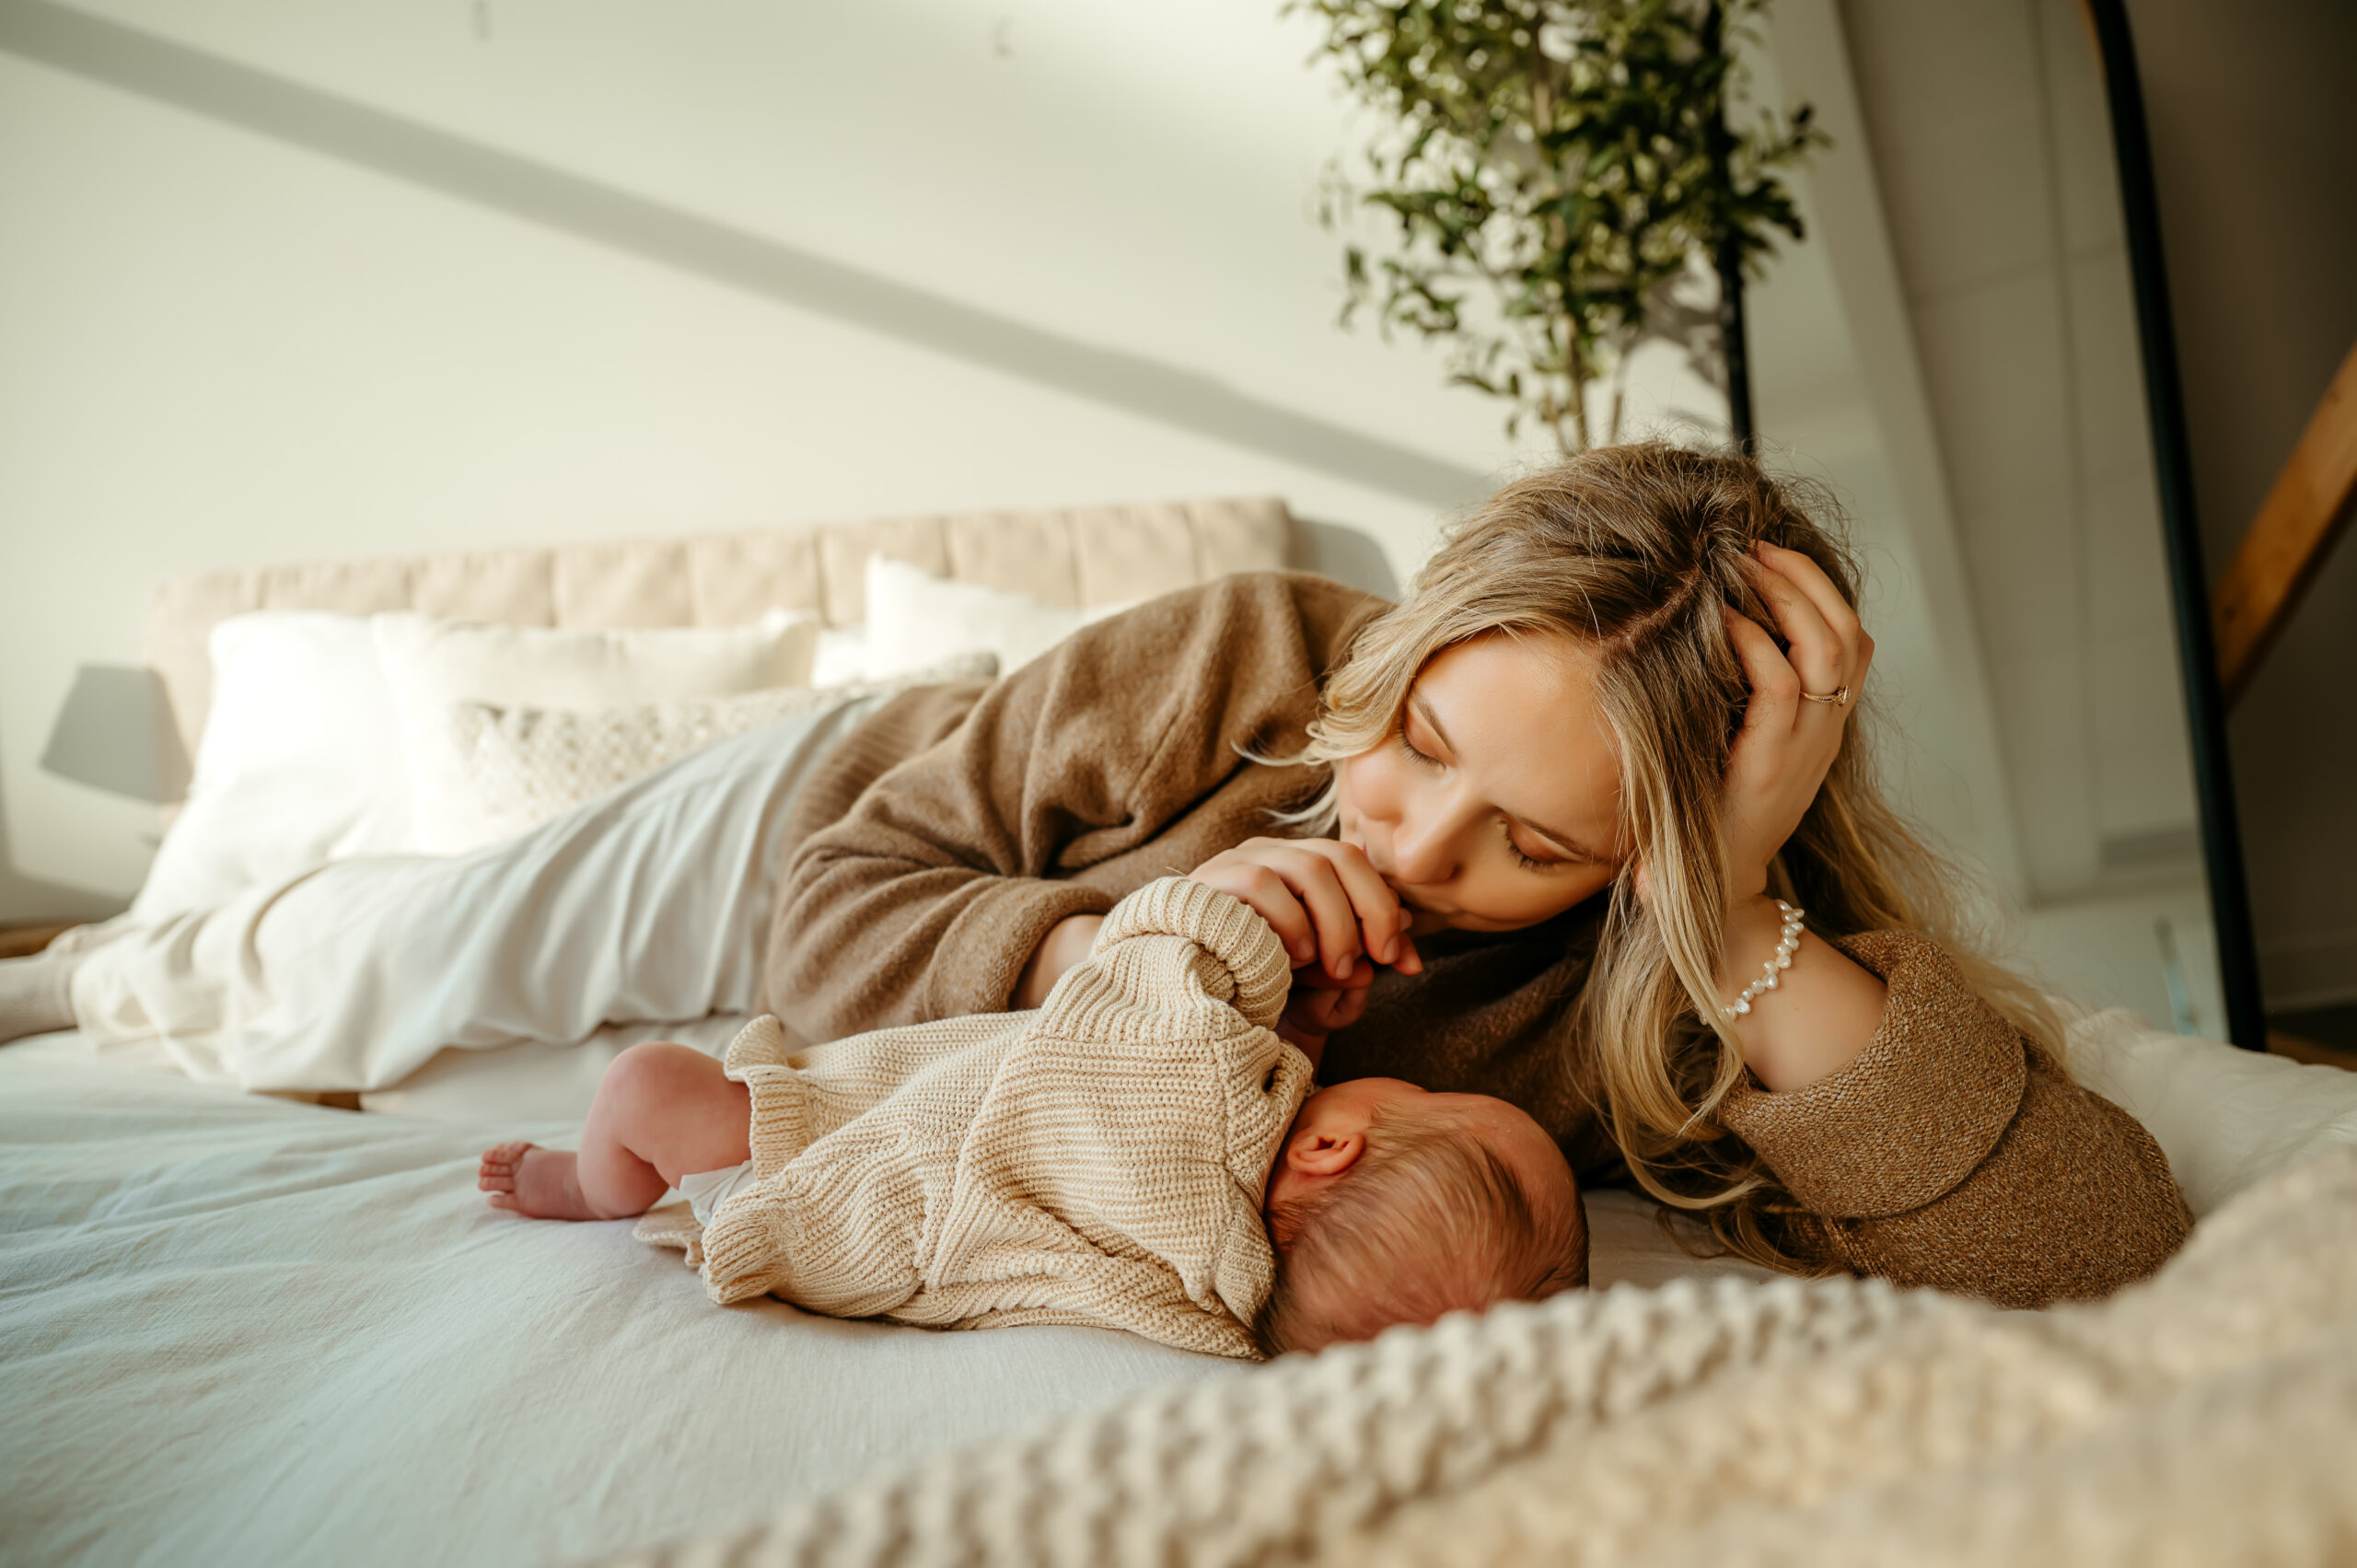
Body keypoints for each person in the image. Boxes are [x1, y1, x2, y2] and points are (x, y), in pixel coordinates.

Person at [6, 444, 2189, 1307]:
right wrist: (1117, 947)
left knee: (516, 1068)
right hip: (835, 811)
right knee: (388, 965)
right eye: (1421, 747)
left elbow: (2087, 1239)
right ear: (1397, 658)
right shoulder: (1244, 652)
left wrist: (1719, 912)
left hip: (908, 1034)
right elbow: (838, 915)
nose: (1413, 845)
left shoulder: (1663, 976)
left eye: (1535, 840)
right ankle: (100, 963)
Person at [475, 876, 1586, 1358]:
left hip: (829, 1149)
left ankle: (588, 1183)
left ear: (1331, 1144)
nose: (1410, 1077)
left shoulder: (1196, 1077)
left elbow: (1148, 976)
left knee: (645, 1083)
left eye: (1429, 1097)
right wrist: (1298, 1034)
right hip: (861, 1224)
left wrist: (1246, 935)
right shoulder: (1211, 1287)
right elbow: (1212, 1166)